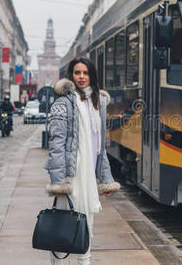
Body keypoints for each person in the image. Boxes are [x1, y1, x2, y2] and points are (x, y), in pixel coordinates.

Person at [45, 57, 120, 265]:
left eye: (85, 73)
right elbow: (56, 144)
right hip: (71, 171)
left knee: (87, 223)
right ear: (71, 75)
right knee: (62, 224)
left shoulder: (99, 103)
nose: (81, 77)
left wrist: (106, 178)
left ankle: (84, 262)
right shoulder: (63, 103)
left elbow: (100, 147)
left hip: (88, 173)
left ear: (91, 76)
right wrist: (59, 181)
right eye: (77, 73)